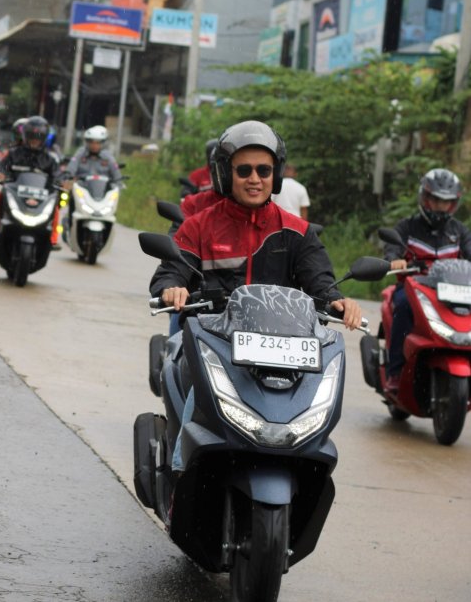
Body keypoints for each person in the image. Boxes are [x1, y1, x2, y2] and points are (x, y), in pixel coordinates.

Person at [149, 120, 361, 470]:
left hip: (282, 348)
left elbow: (321, 282)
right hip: (216, 340)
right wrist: (174, 286)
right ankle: (179, 478)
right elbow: (174, 268)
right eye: (244, 170)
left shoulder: (297, 232)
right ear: (225, 173)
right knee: (194, 399)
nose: (254, 178)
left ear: (275, 175)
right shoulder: (199, 225)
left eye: (264, 170)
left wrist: (337, 302)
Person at [382, 168, 471, 393]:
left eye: (446, 202)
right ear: (425, 197)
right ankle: (395, 372)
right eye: (435, 200)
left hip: (451, 292)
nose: (440, 206)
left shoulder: (459, 231)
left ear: (453, 204)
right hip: (414, 289)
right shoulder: (407, 227)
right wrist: (394, 260)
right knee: (402, 307)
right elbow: (392, 249)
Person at [0, 116, 60, 241]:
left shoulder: (49, 159)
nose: (34, 141)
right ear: (25, 136)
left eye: (38, 138)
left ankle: (53, 238)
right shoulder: (14, 153)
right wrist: (0, 173)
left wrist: (62, 182)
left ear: (44, 139)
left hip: (39, 196)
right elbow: (2, 167)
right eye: (32, 137)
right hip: (15, 192)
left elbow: (57, 176)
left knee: (54, 208)